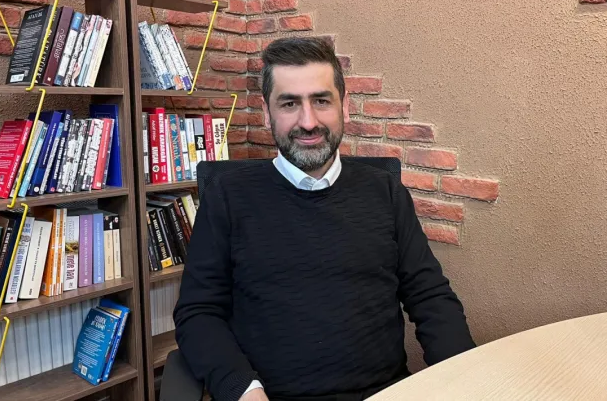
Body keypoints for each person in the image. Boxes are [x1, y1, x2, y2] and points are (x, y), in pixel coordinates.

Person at [173, 36, 476, 401]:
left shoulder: (385, 191)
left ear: (344, 106)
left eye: (321, 100)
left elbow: (430, 298)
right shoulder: (227, 196)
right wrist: (244, 390)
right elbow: (198, 312)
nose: (308, 122)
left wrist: (465, 382)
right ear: (267, 113)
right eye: (289, 103)